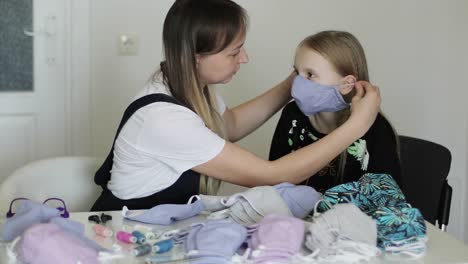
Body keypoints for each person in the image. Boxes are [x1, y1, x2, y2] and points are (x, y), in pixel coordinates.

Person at [91, 0, 381, 211]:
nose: (244, 59)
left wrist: (292, 85)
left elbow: (228, 126)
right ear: (197, 57)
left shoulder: (182, 84)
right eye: (234, 52)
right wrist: (357, 125)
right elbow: (274, 176)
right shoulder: (163, 119)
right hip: (124, 230)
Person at [269, 30, 401, 193]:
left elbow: (385, 198)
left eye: (310, 74)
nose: (297, 83)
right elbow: (273, 182)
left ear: (346, 84)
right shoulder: (293, 116)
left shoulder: (376, 128)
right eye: (297, 72)